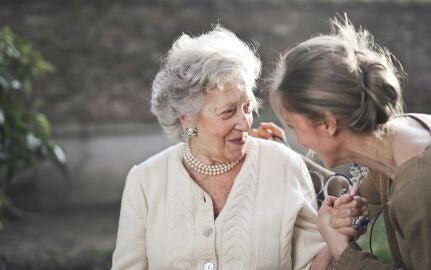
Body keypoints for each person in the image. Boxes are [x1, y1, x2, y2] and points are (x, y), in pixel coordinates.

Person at [111, 25, 367, 270]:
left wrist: (335, 235)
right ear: (186, 117)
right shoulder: (145, 181)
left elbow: (312, 266)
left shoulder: (283, 165)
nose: (245, 123)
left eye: (246, 107)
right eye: (228, 112)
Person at [269, 16, 431, 270]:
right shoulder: (406, 132)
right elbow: (361, 200)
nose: (299, 140)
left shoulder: (421, 198)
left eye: (294, 127)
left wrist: (342, 249)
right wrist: (349, 217)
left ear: (327, 123)